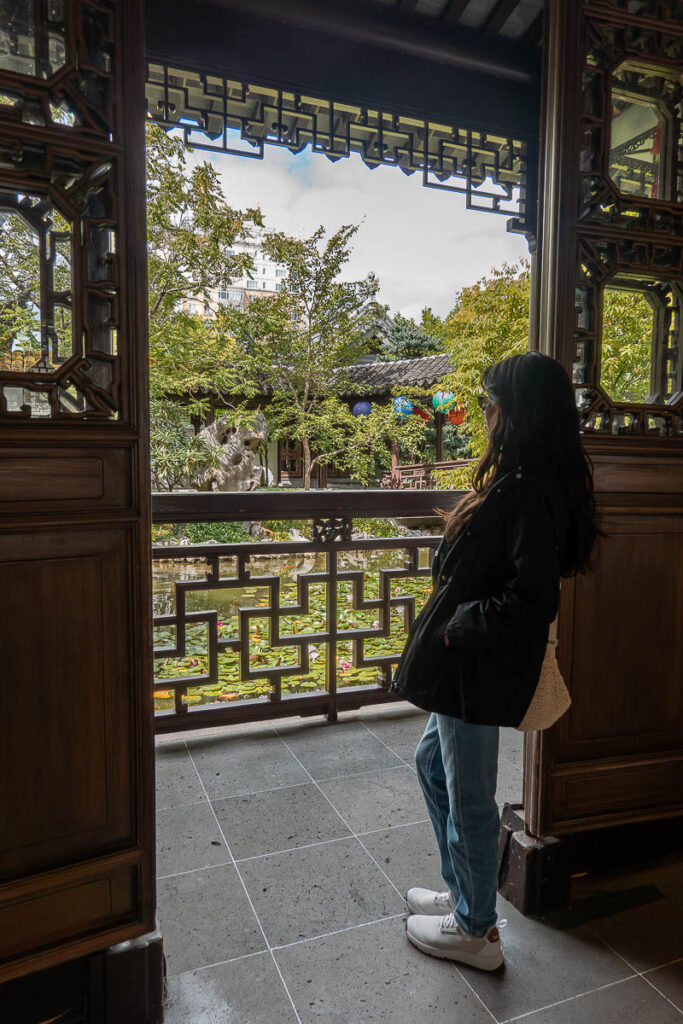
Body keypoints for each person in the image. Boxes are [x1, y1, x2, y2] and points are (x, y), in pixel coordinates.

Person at [390, 352, 599, 971]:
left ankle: (475, 928)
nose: (485, 409)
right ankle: (467, 892)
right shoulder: (522, 481)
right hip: (469, 668)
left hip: (475, 669)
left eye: (492, 400)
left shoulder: (529, 493)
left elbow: (531, 599)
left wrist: (459, 625)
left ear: (519, 412)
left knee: (470, 795)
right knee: (433, 766)